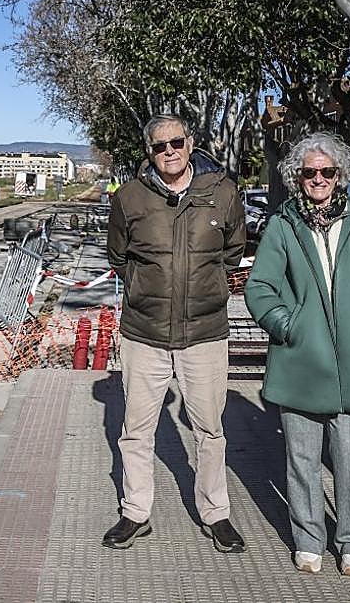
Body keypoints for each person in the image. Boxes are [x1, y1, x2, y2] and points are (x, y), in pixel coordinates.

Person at [244, 133, 350, 576]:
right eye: (309, 171)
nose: (318, 178)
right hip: (299, 362)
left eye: (327, 171)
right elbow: (260, 288)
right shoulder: (283, 224)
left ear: (340, 175)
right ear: (297, 176)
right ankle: (308, 537)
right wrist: (288, 326)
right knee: (301, 460)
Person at [102, 114, 247, 552]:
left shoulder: (221, 192)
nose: (169, 151)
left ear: (191, 142)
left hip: (205, 333)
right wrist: (148, 291)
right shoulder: (130, 197)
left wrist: (209, 288)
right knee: (135, 430)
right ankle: (134, 512)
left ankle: (215, 513)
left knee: (209, 429)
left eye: (176, 142)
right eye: (159, 145)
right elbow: (118, 256)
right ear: (149, 150)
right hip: (144, 333)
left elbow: (233, 252)